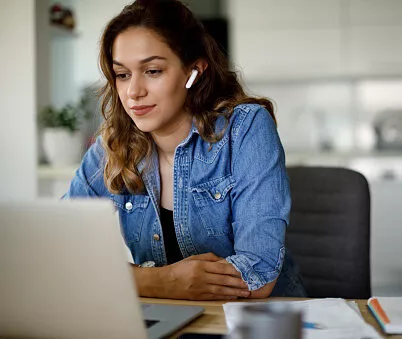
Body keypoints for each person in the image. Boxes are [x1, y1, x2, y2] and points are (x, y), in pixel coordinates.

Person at [65, 0, 306, 300]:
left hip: (257, 321)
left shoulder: (245, 129)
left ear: (194, 71)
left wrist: (123, 278)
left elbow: (257, 274)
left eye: (152, 71)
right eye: (123, 75)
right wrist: (159, 282)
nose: (133, 91)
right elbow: (60, 251)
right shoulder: (113, 144)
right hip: (166, 317)